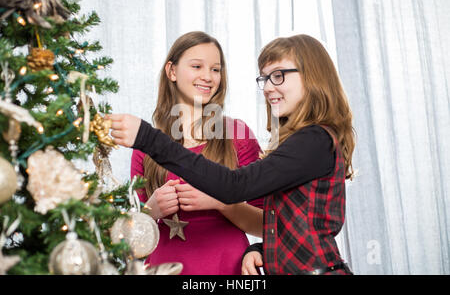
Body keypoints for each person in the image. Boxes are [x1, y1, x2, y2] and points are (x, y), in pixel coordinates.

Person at [109, 34, 355, 275]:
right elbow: (285, 225)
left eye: (278, 76)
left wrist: (147, 137)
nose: (268, 88)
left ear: (312, 76)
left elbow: (236, 187)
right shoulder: (303, 142)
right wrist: (259, 249)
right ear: (171, 71)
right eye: (265, 78)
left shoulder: (312, 140)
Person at [130, 31, 264, 275]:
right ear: (172, 71)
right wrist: (150, 210)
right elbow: (131, 239)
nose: (208, 77)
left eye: (215, 69)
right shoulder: (148, 144)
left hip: (228, 267)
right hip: (164, 268)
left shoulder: (238, 135)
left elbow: (267, 225)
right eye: (197, 66)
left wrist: (223, 203)